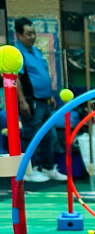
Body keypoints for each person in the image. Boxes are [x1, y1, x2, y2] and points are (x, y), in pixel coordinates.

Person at [14, 17, 67, 183]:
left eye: (34, 33)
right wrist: (22, 102)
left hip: (44, 102)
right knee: (30, 136)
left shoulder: (36, 51)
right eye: (28, 34)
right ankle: (26, 171)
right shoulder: (17, 53)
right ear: (19, 35)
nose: (32, 37)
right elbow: (16, 79)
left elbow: (43, 75)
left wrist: (50, 95)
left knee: (50, 136)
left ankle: (48, 168)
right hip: (31, 101)